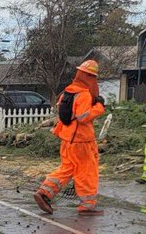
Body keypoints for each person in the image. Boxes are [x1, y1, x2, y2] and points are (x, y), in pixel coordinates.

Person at [35, 59, 106, 215]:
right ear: (91, 77)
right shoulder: (84, 94)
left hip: (67, 139)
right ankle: (87, 205)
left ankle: (44, 192)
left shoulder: (68, 91)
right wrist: (99, 107)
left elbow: (64, 114)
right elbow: (83, 116)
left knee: (67, 168)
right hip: (81, 140)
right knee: (87, 171)